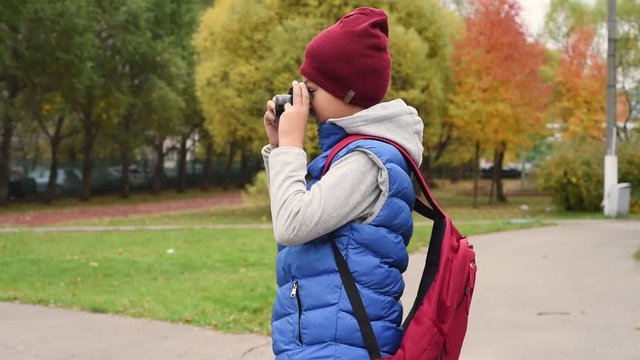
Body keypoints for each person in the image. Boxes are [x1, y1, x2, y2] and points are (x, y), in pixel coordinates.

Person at [261, 7, 425, 359]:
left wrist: (291, 148)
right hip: (326, 341)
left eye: (311, 89)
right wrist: (279, 149)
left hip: (340, 347)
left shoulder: (367, 163)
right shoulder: (347, 157)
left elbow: (292, 225)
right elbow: (299, 213)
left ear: (346, 94)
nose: (303, 98)